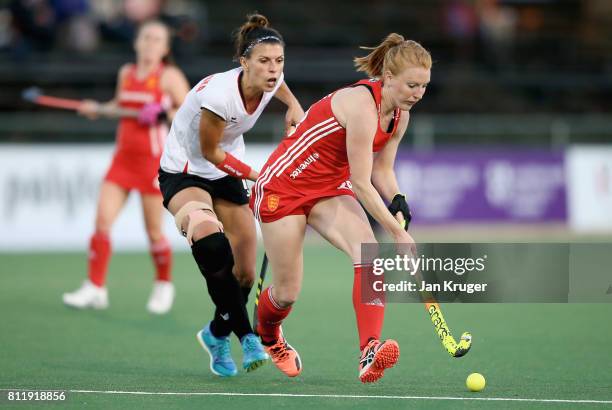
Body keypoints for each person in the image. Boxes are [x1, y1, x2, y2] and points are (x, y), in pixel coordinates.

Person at [251, 33, 430, 383]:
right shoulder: (362, 105)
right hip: (283, 185)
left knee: (369, 252)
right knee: (286, 293)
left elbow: (382, 171)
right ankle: (269, 336)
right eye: (411, 85)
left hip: (328, 187)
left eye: (424, 86)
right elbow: (362, 183)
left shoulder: (400, 116)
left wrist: (398, 201)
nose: (418, 94)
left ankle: (369, 350)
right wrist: (397, 233)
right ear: (389, 78)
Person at [158, 13, 304, 377]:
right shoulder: (219, 97)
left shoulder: (271, 78)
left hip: (224, 175)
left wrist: (293, 105)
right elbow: (211, 153)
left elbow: (280, 86)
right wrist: (259, 176)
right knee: (210, 242)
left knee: (245, 272)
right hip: (186, 170)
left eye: (279, 61)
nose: (273, 69)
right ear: (244, 63)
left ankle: (214, 333)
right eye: (264, 62)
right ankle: (245, 335)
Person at [63, 20, 190, 314]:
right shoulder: (127, 73)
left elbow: (188, 112)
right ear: (136, 42)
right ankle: (95, 287)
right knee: (102, 223)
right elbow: (118, 105)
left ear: (165, 48)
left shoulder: (169, 76)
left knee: (153, 231)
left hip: (152, 163)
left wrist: (162, 112)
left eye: (157, 39)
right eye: (146, 37)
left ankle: (163, 284)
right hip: (122, 160)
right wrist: (96, 109)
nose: (150, 43)